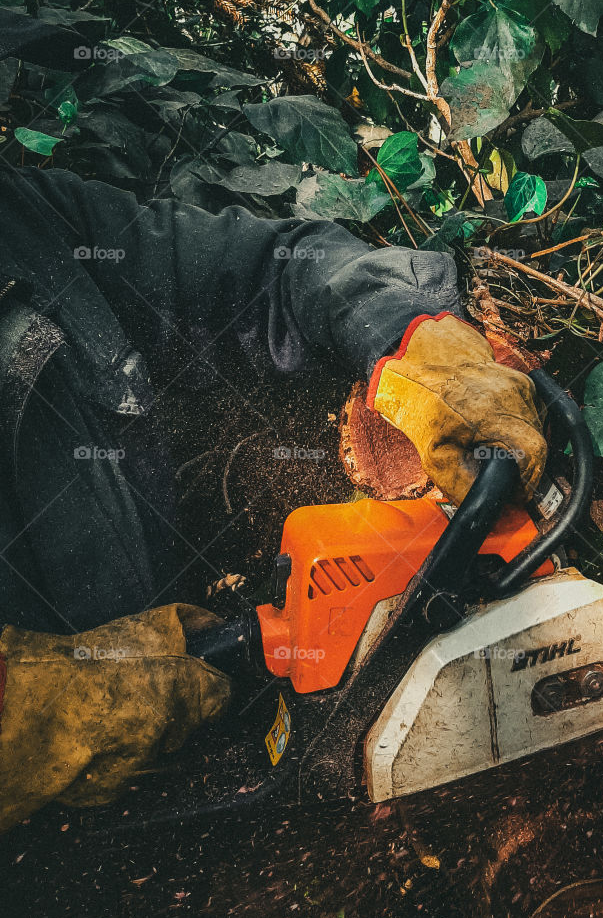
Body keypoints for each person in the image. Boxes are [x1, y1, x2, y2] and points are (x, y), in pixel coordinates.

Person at [0, 164, 546, 830]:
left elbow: (266, 267)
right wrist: (29, 709)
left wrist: (413, 337)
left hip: (171, 740)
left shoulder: (26, 223)